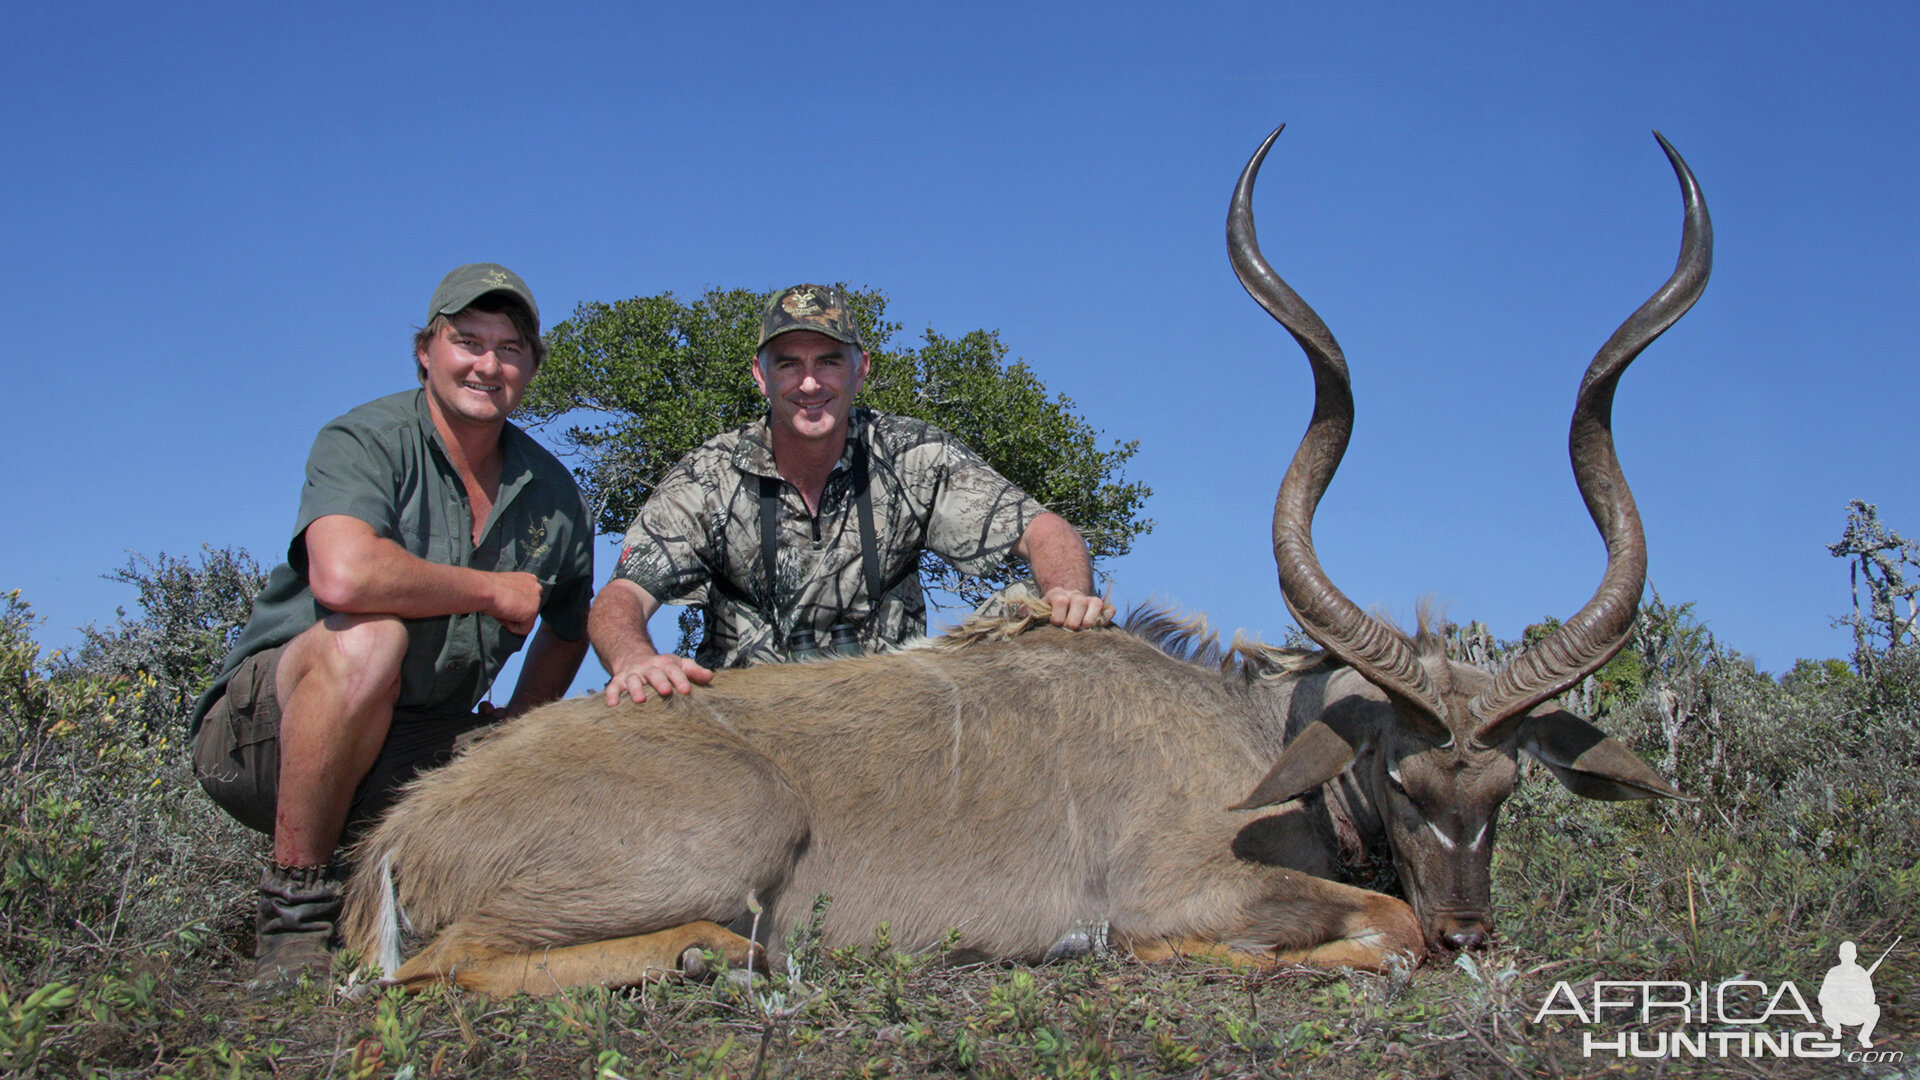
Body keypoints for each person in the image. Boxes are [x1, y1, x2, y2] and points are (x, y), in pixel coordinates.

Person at [188, 263, 595, 992]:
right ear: (425, 350)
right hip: (263, 739)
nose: (488, 364)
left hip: (415, 739)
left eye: (510, 349)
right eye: (468, 341)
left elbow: (568, 626)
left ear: (531, 366)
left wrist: (524, 725)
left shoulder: (557, 493)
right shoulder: (365, 439)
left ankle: (420, 921)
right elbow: (343, 576)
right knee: (367, 642)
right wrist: (488, 590)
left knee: (567, 756)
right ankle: (295, 913)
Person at [591, 283, 1113, 703]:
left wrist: (1066, 592)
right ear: (760, 375)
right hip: (749, 727)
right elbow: (620, 597)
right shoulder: (709, 474)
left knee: (1023, 615)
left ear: (860, 369)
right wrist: (634, 657)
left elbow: (1045, 529)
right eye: (789, 363)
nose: (810, 383)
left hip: (892, 716)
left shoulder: (912, 454)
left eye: (828, 362)